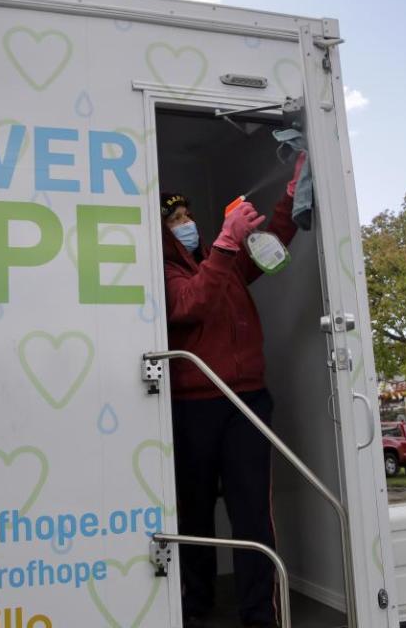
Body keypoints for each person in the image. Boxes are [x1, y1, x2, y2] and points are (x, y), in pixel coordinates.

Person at [160, 162, 301, 627]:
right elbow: (189, 304)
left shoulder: (223, 259)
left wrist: (291, 192)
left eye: (186, 215)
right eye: (174, 220)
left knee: (253, 516)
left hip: (248, 403)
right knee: (194, 516)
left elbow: (273, 241)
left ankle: (260, 617)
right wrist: (224, 242)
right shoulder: (159, 267)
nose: (185, 224)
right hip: (191, 408)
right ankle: (194, 611)